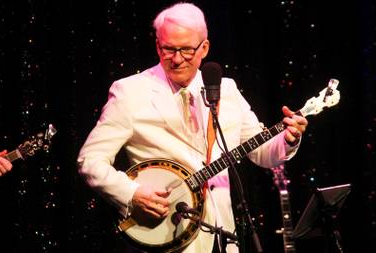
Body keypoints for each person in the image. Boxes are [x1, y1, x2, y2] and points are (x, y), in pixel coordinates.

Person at [77, 2, 308, 253]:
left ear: (204, 48)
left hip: (223, 236)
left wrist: (288, 139)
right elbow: (90, 160)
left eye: (186, 50)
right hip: (167, 235)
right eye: (168, 49)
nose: (177, 59)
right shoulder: (131, 92)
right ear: (157, 45)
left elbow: (261, 152)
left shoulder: (226, 90)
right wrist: (132, 193)